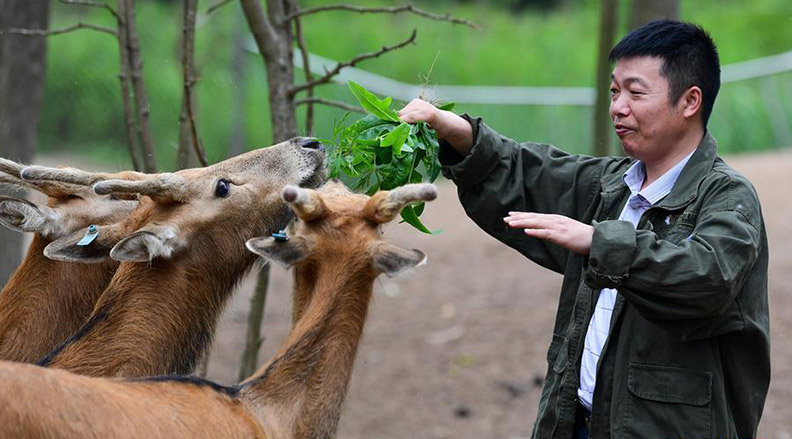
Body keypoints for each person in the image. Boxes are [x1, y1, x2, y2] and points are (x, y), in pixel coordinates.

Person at [398, 19, 769, 439]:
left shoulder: (728, 197)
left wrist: (598, 241)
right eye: (614, 91)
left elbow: (706, 277)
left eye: (635, 91)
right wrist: (460, 134)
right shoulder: (612, 185)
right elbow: (527, 174)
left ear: (689, 101)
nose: (618, 106)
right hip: (577, 422)